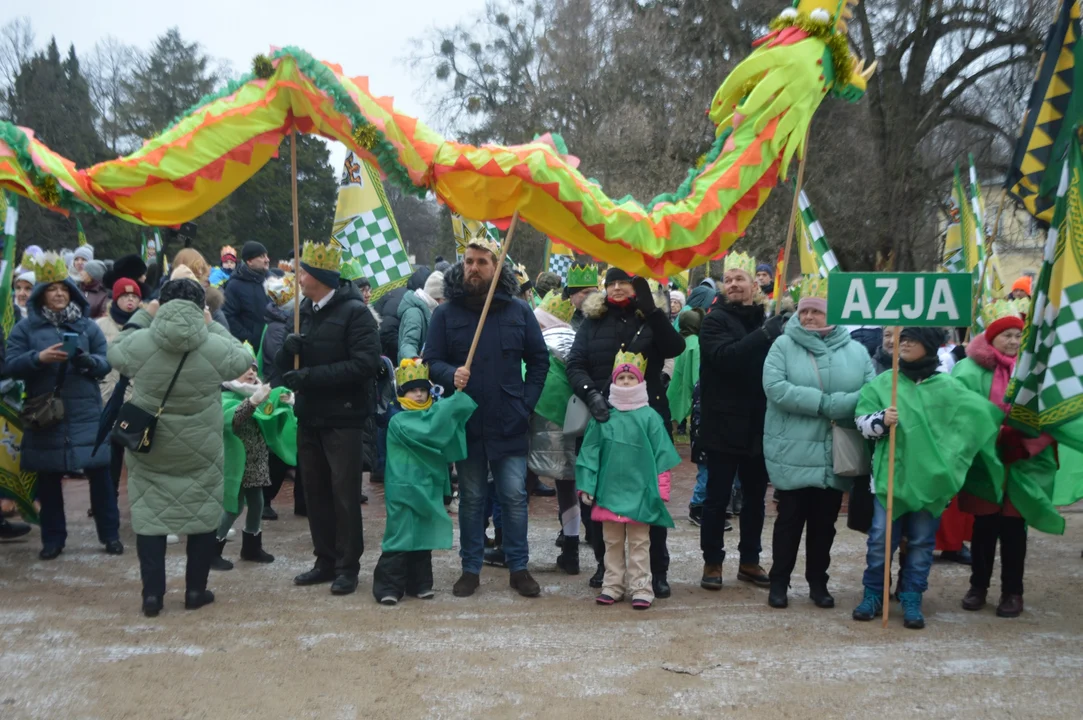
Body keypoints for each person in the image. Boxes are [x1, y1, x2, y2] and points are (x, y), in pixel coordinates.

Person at [107, 277, 250, 616]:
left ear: (162, 302)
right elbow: (241, 358)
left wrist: (145, 314)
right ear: (201, 305)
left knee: (150, 518)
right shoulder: (211, 342)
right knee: (202, 517)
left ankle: (152, 596)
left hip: (150, 442)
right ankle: (195, 592)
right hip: (201, 444)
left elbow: (116, 350)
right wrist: (211, 326)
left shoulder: (142, 341)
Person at [852, 327, 1001, 629]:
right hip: (889, 480)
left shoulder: (948, 387)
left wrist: (951, 467)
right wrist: (880, 420)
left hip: (931, 484)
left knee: (921, 543)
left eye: (912, 339)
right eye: (901, 338)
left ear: (930, 346)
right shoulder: (884, 383)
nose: (902, 343)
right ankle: (873, 593)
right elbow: (861, 422)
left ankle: (911, 596)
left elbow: (972, 422)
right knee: (881, 540)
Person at [423, 237, 548, 598]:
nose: (473, 268)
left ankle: (518, 567)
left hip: (509, 419)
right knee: (473, 497)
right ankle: (470, 568)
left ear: (497, 267)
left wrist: (525, 404)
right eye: (468, 262)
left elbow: (539, 362)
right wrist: (450, 374)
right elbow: (431, 361)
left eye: (481, 261)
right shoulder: (445, 313)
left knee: (513, 494)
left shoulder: (518, 311)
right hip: (467, 423)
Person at [566, 267, 685, 596]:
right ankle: (608, 568)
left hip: (646, 420)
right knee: (600, 495)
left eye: (625, 282)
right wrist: (590, 394)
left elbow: (675, 347)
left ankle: (656, 570)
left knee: (649, 495)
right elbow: (575, 364)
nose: (617, 288)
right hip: (604, 420)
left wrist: (653, 311)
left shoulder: (650, 319)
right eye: (612, 282)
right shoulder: (592, 323)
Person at [761, 277, 876, 609]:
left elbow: (869, 392)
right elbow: (775, 388)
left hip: (834, 452)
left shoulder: (857, 350)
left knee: (825, 524)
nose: (809, 317)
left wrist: (840, 405)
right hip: (792, 450)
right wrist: (827, 404)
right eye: (804, 310)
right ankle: (778, 582)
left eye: (816, 311)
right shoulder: (782, 346)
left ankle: (818, 583)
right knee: (789, 520)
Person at [276, 241, 382, 596]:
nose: (298, 277)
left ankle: (347, 566)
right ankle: (324, 559)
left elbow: (365, 365)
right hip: (310, 416)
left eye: (303, 271)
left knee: (344, 493)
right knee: (315, 492)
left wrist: (312, 377)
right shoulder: (302, 311)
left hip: (344, 417)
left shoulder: (356, 313)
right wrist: (286, 352)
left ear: (319, 277)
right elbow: (283, 368)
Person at [3, 253, 121, 561]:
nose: (58, 294)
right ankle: (53, 540)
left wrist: (85, 361)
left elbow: (105, 363)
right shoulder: (25, 329)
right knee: (49, 477)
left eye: (64, 289)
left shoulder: (88, 327)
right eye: (52, 289)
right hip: (45, 413)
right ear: (42, 294)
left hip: (85, 412)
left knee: (100, 475)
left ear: (72, 293)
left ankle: (110, 535)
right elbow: (10, 366)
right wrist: (37, 359)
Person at [953, 301, 1063, 618]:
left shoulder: (1034, 372)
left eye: (1018, 335)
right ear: (992, 337)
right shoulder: (969, 370)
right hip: (985, 464)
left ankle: (1012, 593)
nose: (1014, 341)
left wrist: (1025, 440)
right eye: (1007, 335)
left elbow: (1052, 413)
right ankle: (978, 587)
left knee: (1015, 530)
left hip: (1021, 463)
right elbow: (959, 412)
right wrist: (989, 435)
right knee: (983, 528)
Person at [698, 252, 786, 591]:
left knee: (754, 498)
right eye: (729, 279)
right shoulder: (714, 320)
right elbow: (725, 358)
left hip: (760, 421)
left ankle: (750, 559)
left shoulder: (767, 318)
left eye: (740, 279)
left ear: (754, 285)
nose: (734, 284)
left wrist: (774, 330)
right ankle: (713, 561)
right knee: (717, 498)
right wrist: (765, 334)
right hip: (723, 423)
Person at [576, 353, 681, 609]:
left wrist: (662, 490)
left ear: (640, 382)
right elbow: (589, 454)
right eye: (620, 377)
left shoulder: (650, 418)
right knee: (611, 542)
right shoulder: (603, 418)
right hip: (608, 493)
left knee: (639, 543)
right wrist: (587, 485)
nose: (624, 382)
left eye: (630, 377)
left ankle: (641, 587)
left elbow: (661, 457)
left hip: (641, 495)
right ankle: (612, 585)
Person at [373, 359, 476, 604]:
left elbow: (442, 443)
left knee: (423, 534)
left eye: (422, 389)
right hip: (403, 488)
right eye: (412, 390)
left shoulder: (433, 417)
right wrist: (450, 408)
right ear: (402, 393)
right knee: (400, 534)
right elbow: (428, 431)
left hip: (429, 485)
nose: (419, 395)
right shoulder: (397, 421)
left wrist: (445, 488)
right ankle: (388, 586)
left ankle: (419, 583)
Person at [212, 360, 296, 570]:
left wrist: (285, 400)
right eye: (244, 369)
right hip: (237, 463)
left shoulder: (259, 394)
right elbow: (232, 418)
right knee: (234, 507)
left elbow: (272, 408)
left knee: (257, 503)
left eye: (254, 368)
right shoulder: (225, 397)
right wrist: (253, 402)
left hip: (255, 462)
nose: (251, 372)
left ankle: (251, 547)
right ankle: (211, 550)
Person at [528, 290, 582, 573]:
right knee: (567, 485)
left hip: (538, 419)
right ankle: (571, 549)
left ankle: (513, 546)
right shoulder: (577, 343)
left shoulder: (539, 346)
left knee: (523, 482)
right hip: (574, 421)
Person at [258, 273, 307, 519]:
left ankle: (303, 501)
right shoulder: (279, 327)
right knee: (280, 449)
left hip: (290, 390)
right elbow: (279, 359)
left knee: (297, 449)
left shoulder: (287, 322)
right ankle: (265, 498)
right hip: (282, 393)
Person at [224, 241, 270, 349]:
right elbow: (228, 316)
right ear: (249, 261)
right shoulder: (235, 285)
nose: (267, 260)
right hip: (248, 349)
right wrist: (250, 338)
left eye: (267, 256)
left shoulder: (271, 281)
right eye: (262, 256)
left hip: (270, 343)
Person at [397, 270, 439, 360]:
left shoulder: (432, 311)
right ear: (437, 298)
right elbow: (408, 344)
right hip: (414, 371)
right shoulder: (414, 313)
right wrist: (415, 360)